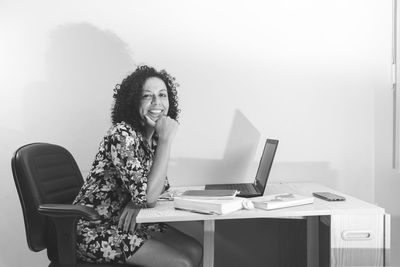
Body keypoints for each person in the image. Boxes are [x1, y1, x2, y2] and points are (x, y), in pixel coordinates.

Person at [73, 65, 202, 267]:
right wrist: (167, 141)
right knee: (181, 263)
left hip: (125, 221)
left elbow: (157, 189)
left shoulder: (150, 136)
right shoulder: (122, 134)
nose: (157, 102)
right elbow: (150, 197)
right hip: (94, 229)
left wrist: (137, 200)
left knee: (195, 250)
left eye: (162, 95)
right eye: (147, 96)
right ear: (133, 102)